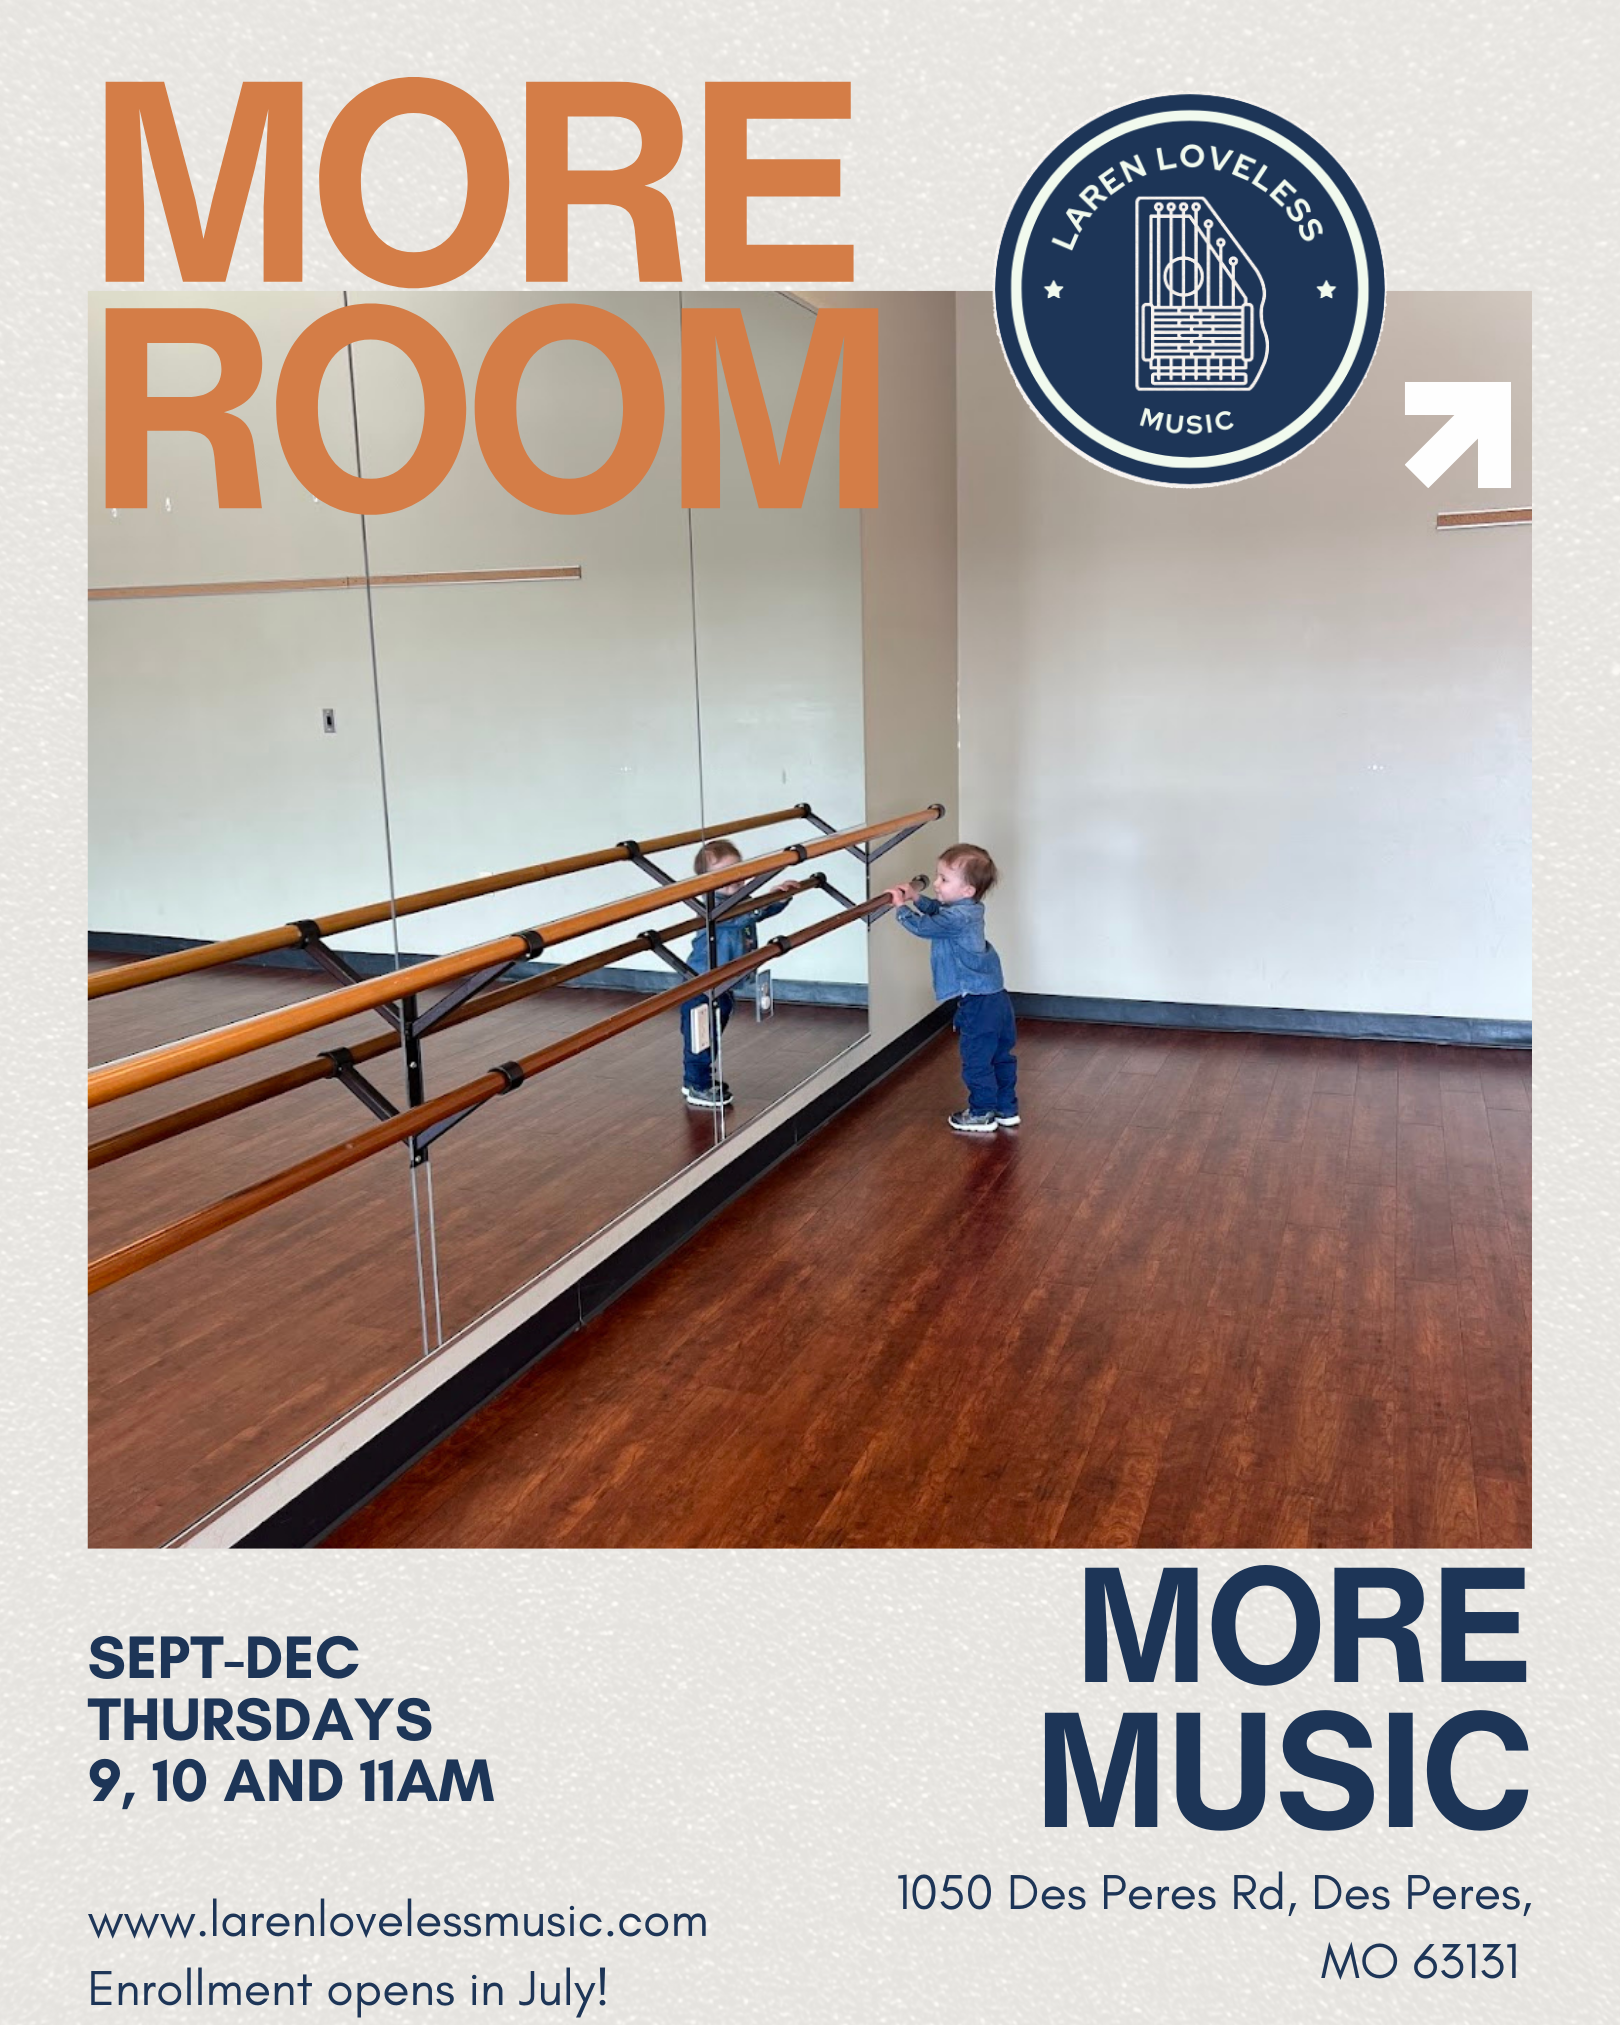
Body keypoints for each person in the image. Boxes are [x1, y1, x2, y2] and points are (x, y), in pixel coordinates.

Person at [883, 844, 1018, 1134]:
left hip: (978, 1004)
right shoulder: (967, 910)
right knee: (1000, 1055)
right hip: (996, 998)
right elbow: (938, 911)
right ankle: (1006, 1108)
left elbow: (925, 927)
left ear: (967, 890)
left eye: (944, 879)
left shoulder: (956, 918)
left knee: (976, 1060)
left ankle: (981, 1113)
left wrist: (901, 908)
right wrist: (918, 898)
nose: (936, 884)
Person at [680, 839, 795, 1109]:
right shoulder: (713, 906)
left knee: (713, 1036)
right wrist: (768, 899)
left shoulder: (739, 901)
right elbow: (746, 916)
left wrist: (779, 896)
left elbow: (758, 912)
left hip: (724, 984)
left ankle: (696, 1079)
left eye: (739, 870)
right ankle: (697, 1084)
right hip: (701, 985)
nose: (736, 879)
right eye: (726, 874)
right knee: (701, 1038)